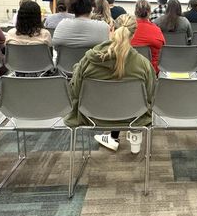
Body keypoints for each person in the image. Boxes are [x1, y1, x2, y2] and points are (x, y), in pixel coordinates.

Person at [65, 14, 156, 152]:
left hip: (89, 116)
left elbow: (74, 91)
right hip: (134, 118)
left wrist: (76, 69)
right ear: (133, 35)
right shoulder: (143, 65)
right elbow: (150, 96)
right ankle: (134, 144)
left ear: (112, 29)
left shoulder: (88, 61)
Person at [130, 0, 165, 73]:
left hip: (129, 70)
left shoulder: (127, 30)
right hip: (152, 72)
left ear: (135, 13)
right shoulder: (156, 30)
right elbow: (163, 47)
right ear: (149, 13)